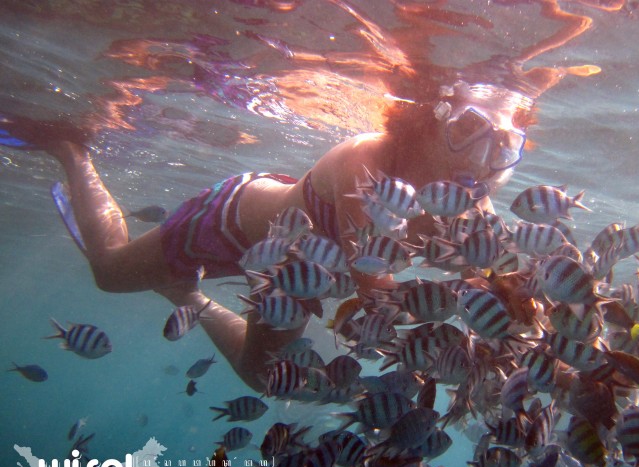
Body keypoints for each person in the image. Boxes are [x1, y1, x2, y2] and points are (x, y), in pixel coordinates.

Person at [1, 79, 537, 390]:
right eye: (468, 130)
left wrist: (534, 335)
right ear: (429, 118)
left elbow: (495, 280)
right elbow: (373, 282)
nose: (486, 157)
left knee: (262, 378)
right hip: (232, 227)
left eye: (506, 144)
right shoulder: (368, 161)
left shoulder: (471, 200)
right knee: (109, 273)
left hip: (293, 277)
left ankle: (189, 298)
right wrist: (433, 356)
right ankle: (72, 147)